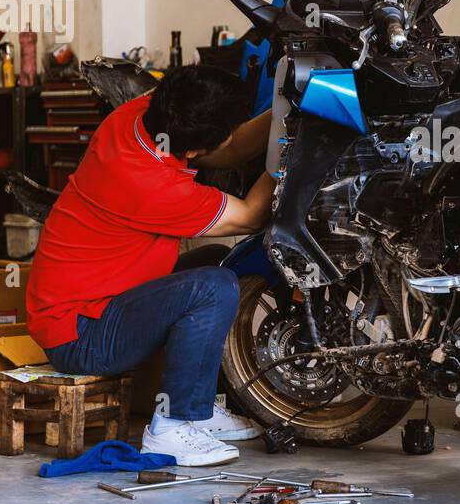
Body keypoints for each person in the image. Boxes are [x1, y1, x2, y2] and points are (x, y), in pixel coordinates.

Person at [27, 65, 276, 466]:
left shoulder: (145, 113)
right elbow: (249, 215)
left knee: (218, 262)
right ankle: (171, 429)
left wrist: (286, 112)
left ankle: (198, 409)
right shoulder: (145, 183)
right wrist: (287, 159)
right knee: (214, 287)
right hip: (80, 334)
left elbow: (226, 149)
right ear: (193, 151)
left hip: (103, 302)